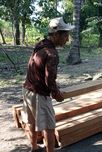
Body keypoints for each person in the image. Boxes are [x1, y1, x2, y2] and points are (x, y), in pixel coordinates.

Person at [21, 17, 74, 152]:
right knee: (49, 127)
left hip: (27, 89)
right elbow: (49, 80)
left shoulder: (41, 44)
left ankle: (34, 147)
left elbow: (35, 66)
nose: (67, 39)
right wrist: (57, 94)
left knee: (31, 122)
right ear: (56, 35)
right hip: (39, 94)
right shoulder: (52, 54)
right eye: (65, 35)